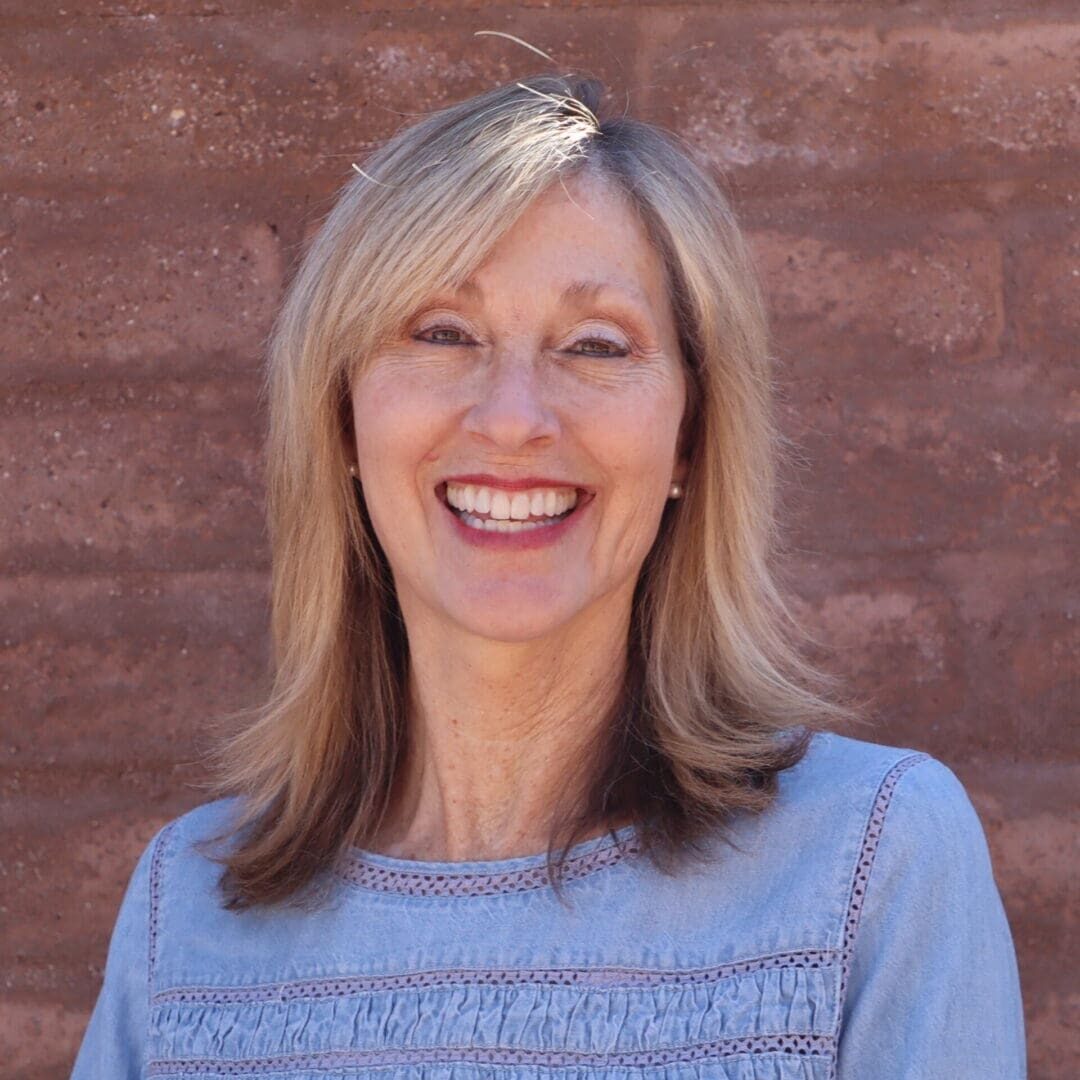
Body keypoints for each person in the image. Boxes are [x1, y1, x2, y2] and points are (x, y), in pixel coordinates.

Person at [71, 73, 1026, 1079]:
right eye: (442, 333)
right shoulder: (186, 917)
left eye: (594, 345)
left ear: (692, 436)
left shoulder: (872, 864)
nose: (514, 416)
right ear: (341, 414)